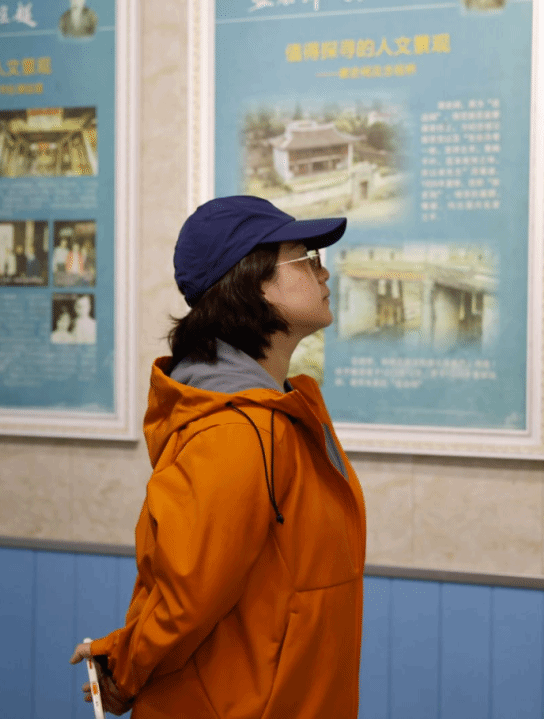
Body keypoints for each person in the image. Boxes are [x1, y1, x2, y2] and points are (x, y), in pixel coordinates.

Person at [69, 195, 367, 718]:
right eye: (306, 258)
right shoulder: (234, 431)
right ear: (253, 282)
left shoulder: (279, 415)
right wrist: (124, 668)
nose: (324, 272)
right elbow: (185, 598)